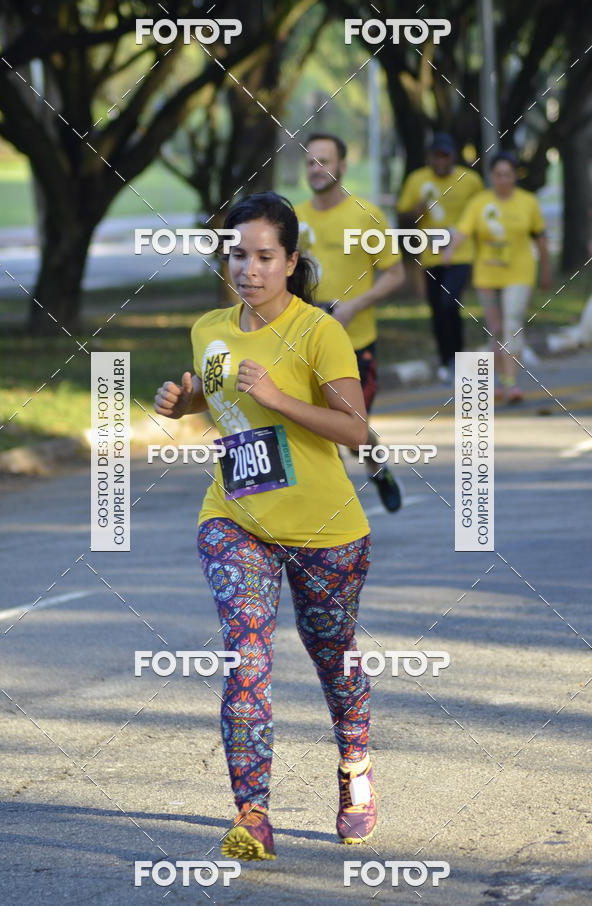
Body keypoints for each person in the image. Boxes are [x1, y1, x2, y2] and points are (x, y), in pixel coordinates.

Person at [154, 192, 377, 860]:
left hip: (325, 527)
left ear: (290, 261)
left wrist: (279, 399)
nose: (247, 269)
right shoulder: (209, 328)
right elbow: (215, 391)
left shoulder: (319, 331)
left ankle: (355, 768)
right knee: (245, 660)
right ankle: (252, 815)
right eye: (237, 254)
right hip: (235, 517)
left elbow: (356, 429)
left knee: (333, 657)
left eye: (262, 256)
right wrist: (184, 398)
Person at [295, 133, 405, 512]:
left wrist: (355, 306)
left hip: (355, 343)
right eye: (311, 162)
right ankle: (335, 507)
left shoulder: (366, 215)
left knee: (353, 429)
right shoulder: (294, 218)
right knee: (317, 427)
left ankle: (378, 470)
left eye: (324, 161)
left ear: (342, 166)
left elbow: (394, 274)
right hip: (307, 343)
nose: (317, 169)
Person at [445, 152, 551, 403]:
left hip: (520, 272)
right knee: (496, 329)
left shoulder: (528, 202)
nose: (503, 180)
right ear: (491, 176)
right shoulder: (480, 202)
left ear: (515, 176)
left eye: (507, 174)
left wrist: (546, 271)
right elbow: (463, 231)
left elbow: (541, 240)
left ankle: (511, 384)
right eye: (498, 175)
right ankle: (500, 380)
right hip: (488, 274)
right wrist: (450, 249)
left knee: (512, 324)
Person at [396, 132, 484, 383]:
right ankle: (446, 360)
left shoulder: (470, 180)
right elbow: (403, 217)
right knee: (437, 309)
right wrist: (416, 211)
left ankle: (457, 357)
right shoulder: (417, 180)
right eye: (437, 156)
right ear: (430, 158)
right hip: (431, 255)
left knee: (449, 302)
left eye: (446, 155)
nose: (441, 160)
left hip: (460, 253)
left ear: (453, 156)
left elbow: (483, 211)